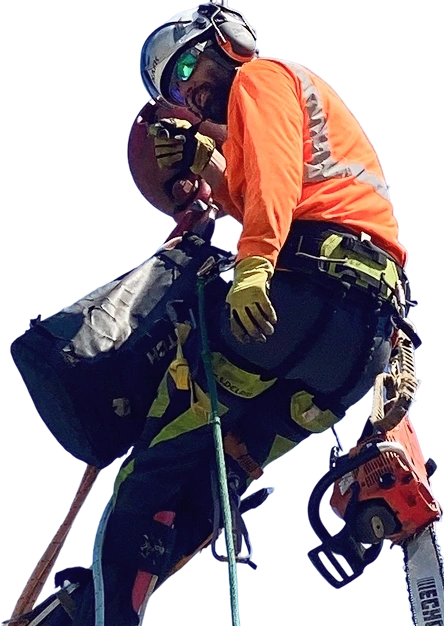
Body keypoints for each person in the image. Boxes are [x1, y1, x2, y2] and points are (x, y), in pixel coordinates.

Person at [7, 5, 417, 625]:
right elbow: (267, 194)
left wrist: (253, 267)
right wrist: (208, 168)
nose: (192, 92)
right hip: (356, 346)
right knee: (221, 474)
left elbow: (275, 183)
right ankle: (101, 598)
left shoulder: (262, 77)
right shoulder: (312, 125)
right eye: (179, 90)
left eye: (189, 67)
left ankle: (109, 608)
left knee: (158, 460)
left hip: (297, 302)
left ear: (227, 41)